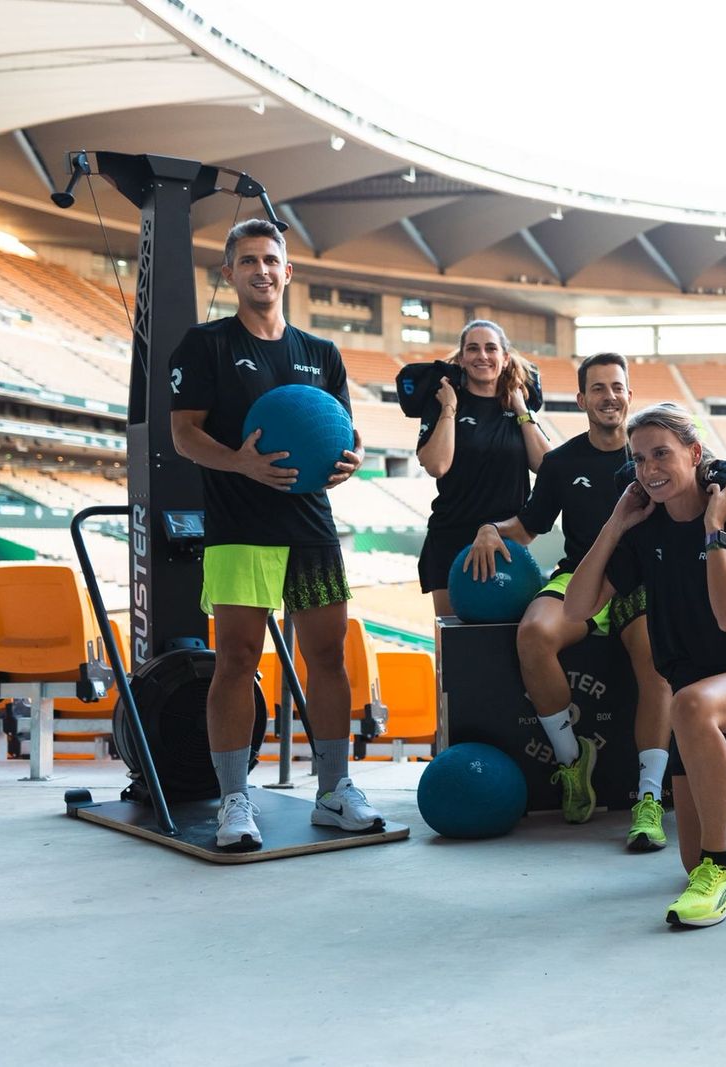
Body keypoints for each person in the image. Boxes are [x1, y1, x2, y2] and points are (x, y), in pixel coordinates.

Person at [169, 217, 380, 851]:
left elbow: (344, 434)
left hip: (311, 527)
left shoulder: (323, 354)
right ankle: (235, 798)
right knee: (235, 660)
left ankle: (334, 789)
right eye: (249, 260)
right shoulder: (204, 345)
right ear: (229, 273)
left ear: (288, 273)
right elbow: (184, 433)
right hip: (240, 529)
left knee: (327, 658)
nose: (262, 270)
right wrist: (239, 462)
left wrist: (353, 459)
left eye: (272, 260)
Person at [565, 403, 726, 928]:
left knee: (691, 704)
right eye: (638, 460)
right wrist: (614, 524)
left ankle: (725, 878)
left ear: (695, 453)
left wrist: (714, 529)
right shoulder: (642, 528)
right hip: (698, 712)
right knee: (692, 858)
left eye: (661, 454)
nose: (649, 469)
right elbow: (576, 609)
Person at [463, 353, 673, 848]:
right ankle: (572, 761)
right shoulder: (561, 462)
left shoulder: (654, 459)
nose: (609, 396)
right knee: (533, 634)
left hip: (641, 585)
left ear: (629, 394)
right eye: (598, 388)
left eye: (617, 387)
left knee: (654, 658)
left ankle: (647, 798)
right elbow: (529, 526)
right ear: (581, 400)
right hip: (582, 577)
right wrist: (491, 528)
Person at [415, 319, 550, 616]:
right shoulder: (443, 402)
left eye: (491, 348)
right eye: (472, 349)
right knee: (455, 648)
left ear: (504, 358)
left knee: (505, 646)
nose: (482, 356)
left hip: (506, 540)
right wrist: (449, 408)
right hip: (452, 539)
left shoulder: (518, 408)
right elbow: (437, 465)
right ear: (462, 358)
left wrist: (521, 409)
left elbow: (545, 465)